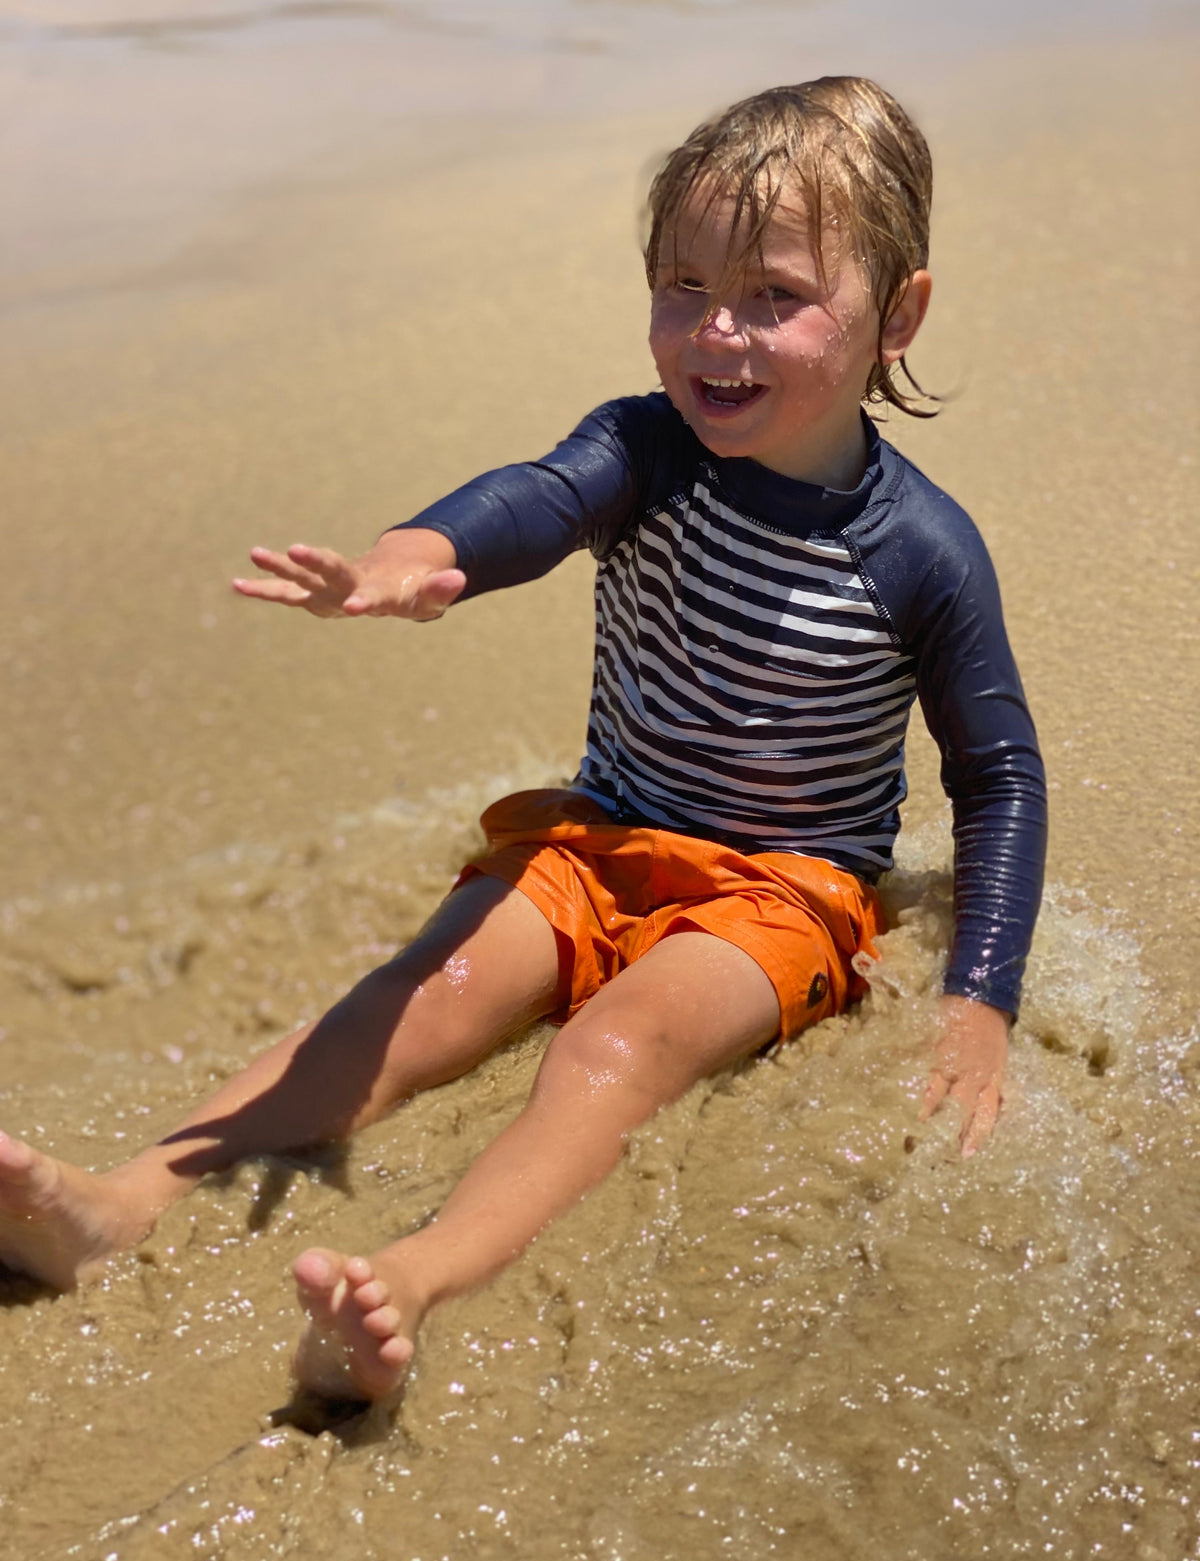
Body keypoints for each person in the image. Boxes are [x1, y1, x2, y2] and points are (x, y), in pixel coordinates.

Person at [0, 77, 1046, 1402]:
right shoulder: (647, 450)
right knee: (416, 994)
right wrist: (415, 554)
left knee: (615, 1048)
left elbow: (999, 774)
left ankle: (409, 1288)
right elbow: (537, 503)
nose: (717, 331)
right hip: (596, 838)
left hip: (783, 889)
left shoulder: (923, 553)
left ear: (898, 314)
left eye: (774, 295)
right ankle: (120, 1202)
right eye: (682, 283)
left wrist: (982, 1001)